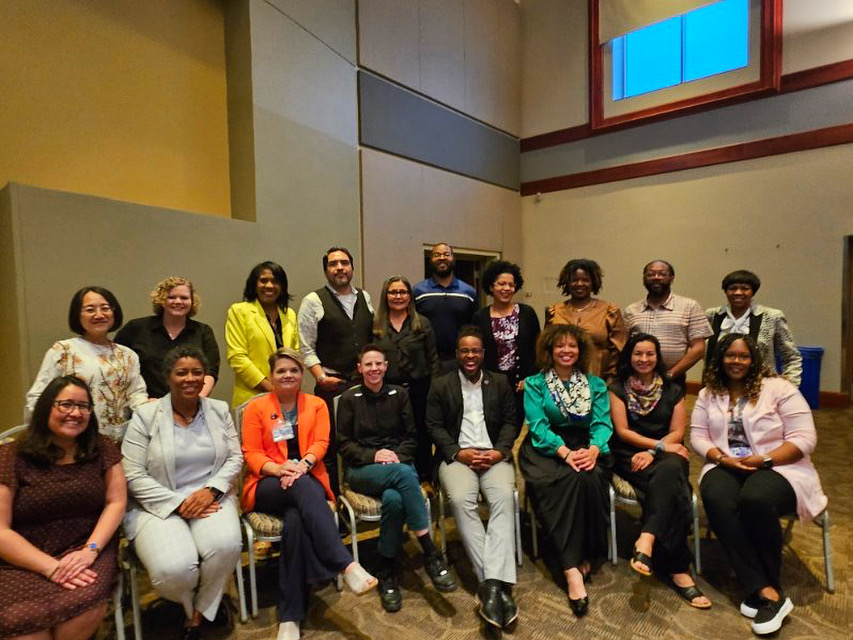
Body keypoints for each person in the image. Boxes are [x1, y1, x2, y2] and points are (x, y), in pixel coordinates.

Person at [691, 334, 827, 636]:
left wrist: (764, 459)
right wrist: (721, 459)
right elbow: (698, 436)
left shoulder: (779, 389)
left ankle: (762, 589)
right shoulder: (709, 393)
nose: (736, 362)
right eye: (730, 355)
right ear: (720, 358)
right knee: (716, 497)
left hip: (779, 465)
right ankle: (767, 591)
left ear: (754, 359)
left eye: (743, 356)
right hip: (726, 463)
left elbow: (805, 438)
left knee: (755, 499)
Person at [241, 348, 376, 640]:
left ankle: (290, 617)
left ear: (302, 375)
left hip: (306, 476)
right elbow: (250, 452)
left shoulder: (315, 404)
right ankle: (344, 562)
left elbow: (322, 442)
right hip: (268, 482)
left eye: (293, 370)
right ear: (272, 376)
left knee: (296, 520)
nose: (288, 375)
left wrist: (302, 465)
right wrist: (280, 470)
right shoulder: (256, 407)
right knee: (301, 489)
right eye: (281, 371)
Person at [122, 346, 243, 640]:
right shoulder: (145, 416)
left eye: (197, 372)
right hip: (157, 501)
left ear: (205, 378)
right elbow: (132, 474)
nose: (190, 378)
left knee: (226, 545)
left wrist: (212, 490)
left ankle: (198, 615)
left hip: (210, 496)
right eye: (182, 372)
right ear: (168, 377)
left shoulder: (218, 410)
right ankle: (191, 606)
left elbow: (235, 457)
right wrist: (180, 503)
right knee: (173, 569)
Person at [1, 376, 127, 640]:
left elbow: (116, 502)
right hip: (23, 556)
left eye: (83, 406)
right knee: (21, 619)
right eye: (66, 404)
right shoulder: (11, 456)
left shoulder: (102, 447)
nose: (75, 413)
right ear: (47, 407)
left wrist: (90, 551)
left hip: (86, 545)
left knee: (82, 604)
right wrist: (50, 567)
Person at [337, 345, 457, 613]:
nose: (374, 369)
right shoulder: (349, 398)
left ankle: (386, 571)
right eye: (368, 364)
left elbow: (412, 438)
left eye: (378, 363)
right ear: (360, 369)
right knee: (404, 475)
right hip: (362, 470)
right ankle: (430, 551)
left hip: (398, 464)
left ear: (386, 366)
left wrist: (395, 456)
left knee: (394, 500)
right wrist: (374, 455)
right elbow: (344, 445)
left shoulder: (399, 394)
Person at [426, 327, 519, 630]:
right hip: (457, 459)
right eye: (464, 351)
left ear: (483, 354)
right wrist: (457, 452)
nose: (470, 356)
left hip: (494, 457)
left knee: (505, 498)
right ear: (457, 355)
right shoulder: (441, 385)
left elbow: (510, 422)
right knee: (461, 501)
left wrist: (499, 452)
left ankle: (488, 586)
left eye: (475, 350)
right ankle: (493, 583)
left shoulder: (501, 382)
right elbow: (434, 426)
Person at [608, 333, 710, 608]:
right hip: (629, 454)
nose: (643, 359)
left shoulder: (673, 389)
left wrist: (655, 451)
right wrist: (655, 447)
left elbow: (677, 432)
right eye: (638, 354)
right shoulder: (617, 388)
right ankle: (680, 572)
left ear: (658, 357)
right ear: (629, 357)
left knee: (670, 472)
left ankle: (647, 539)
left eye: (649, 354)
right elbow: (622, 432)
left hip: (664, 453)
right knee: (675, 489)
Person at [518, 324, 612, 617]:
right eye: (560, 346)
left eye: (572, 346)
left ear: (580, 351)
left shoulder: (595, 385)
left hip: (586, 446)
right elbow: (537, 425)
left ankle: (586, 550)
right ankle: (571, 567)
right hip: (546, 448)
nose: (566, 351)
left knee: (589, 479)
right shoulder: (534, 384)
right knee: (563, 482)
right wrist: (565, 452)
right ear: (549, 350)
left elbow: (601, 423)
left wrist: (594, 449)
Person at [25, 286, 148, 442]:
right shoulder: (63, 351)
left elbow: (136, 394)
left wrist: (151, 410)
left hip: (118, 441)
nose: (99, 315)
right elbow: (38, 397)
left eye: (105, 308)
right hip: (73, 441)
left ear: (114, 312)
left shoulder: (127, 355)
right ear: (78, 315)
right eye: (90, 310)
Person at [297, 247, 374, 491]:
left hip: (362, 384)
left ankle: (359, 492)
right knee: (329, 445)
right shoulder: (313, 301)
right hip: (331, 383)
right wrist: (321, 378)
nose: (339, 268)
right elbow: (306, 347)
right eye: (333, 264)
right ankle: (333, 499)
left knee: (362, 439)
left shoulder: (365, 297)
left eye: (344, 263)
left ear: (352, 267)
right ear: (326, 270)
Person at [371, 276, 440, 479]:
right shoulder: (376, 325)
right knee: (393, 435)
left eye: (403, 292)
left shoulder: (422, 323)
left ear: (410, 296)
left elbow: (433, 359)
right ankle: (397, 475)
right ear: (386, 296)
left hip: (419, 390)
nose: (398, 296)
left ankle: (425, 479)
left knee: (421, 436)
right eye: (393, 292)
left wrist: (434, 392)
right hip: (388, 392)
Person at [116, 276, 220, 399]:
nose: (178, 301)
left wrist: (196, 399)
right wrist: (141, 401)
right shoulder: (136, 328)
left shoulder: (203, 332)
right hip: (145, 406)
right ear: (161, 300)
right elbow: (118, 366)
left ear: (192, 301)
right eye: (171, 297)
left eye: (184, 298)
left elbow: (210, 372)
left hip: (190, 406)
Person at [623, 260, 712, 389]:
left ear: (672, 278)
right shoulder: (631, 310)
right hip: (637, 380)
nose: (656, 277)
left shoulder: (690, 306)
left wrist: (669, 375)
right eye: (651, 274)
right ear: (644, 279)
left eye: (662, 274)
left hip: (673, 379)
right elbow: (624, 347)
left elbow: (699, 348)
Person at [472, 260, 541, 426]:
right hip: (491, 386)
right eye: (501, 284)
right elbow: (476, 353)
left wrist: (531, 379)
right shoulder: (479, 317)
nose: (506, 288)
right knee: (493, 427)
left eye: (511, 284)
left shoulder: (527, 313)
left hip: (522, 386)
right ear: (491, 286)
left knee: (516, 428)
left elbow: (538, 349)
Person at [705, 270, 802, 386]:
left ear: (753, 292)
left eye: (745, 288)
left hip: (761, 387)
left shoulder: (772, 317)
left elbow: (791, 357)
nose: (738, 292)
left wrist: (789, 387)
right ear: (725, 291)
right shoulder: (711, 315)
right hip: (717, 386)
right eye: (733, 288)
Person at [226, 261, 299, 408]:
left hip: (287, 397)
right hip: (252, 397)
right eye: (263, 281)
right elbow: (237, 357)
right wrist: (270, 387)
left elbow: (295, 355)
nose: (269, 286)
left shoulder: (289, 314)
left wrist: (286, 387)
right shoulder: (239, 311)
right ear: (254, 284)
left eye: (275, 281)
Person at [545, 258, 626, 383]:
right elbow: (546, 348)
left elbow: (619, 350)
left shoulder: (609, 311)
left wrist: (610, 381)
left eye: (585, 280)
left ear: (593, 282)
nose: (579, 284)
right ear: (567, 282)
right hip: (560, 381)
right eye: (574, 280)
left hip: (599, 378)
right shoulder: (554, 311)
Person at [413, 243, 478, 369]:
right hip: (425, 361)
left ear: (453, 259)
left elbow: (474, 328)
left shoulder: (469, 292)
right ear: (430, 260)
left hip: (459, 361)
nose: (442, 258)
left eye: (446, 254)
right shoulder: (417, 291)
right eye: (437, 255)